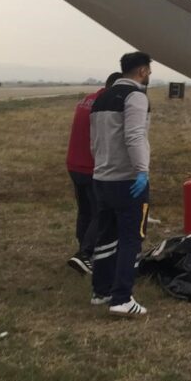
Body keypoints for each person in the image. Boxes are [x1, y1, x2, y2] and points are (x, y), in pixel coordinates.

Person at [89, 52, 153, 317]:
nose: (149, 74)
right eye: (148, 69)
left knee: (105, 236)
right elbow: (135, 135)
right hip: (127, 180)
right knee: (130, 239)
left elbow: (95, 140)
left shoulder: (101, 97)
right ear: (141, 71)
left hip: (101, 177)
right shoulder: (136, 96)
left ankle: (101, 291)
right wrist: (142, 171)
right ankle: (122, 298)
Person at [65, 72, 122, 275]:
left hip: (74, 164)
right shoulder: (107, 104)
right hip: (92, 167)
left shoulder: (87, 100)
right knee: (101, 211)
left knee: (85, 210)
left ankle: (82, 251)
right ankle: (85, 254)